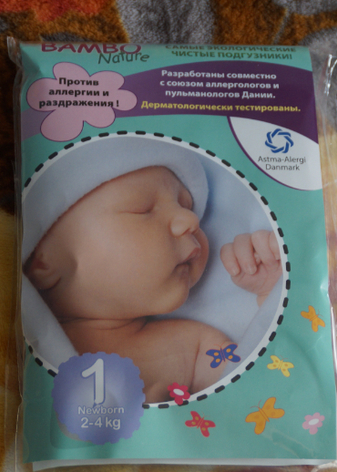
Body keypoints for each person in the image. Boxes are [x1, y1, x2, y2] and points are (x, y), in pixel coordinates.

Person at [22, 144, 281, 402]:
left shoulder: (194, 350)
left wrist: (273, 297)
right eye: (143, 209)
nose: (191, 221)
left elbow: (262, 394)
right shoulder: (16, 344)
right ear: (42, 262)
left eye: (187, 207)